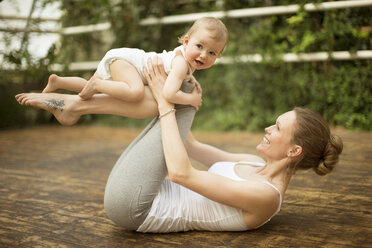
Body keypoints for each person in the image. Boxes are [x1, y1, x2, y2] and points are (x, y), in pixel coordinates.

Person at [15, 58, 343, 232]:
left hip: (136, 208)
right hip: (144, 190)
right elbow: (190, 145)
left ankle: (76, 107)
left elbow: (181, 173)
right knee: (177, 92)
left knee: (175, 94)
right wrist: (180, 98)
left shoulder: (266, 197)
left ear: (293, 151)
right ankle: (75, 108)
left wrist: (170, 100)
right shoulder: (249, 163)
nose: (268, 128)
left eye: (278, 127)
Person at [42, 17, 228, 114]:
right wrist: (192, 100)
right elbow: (169, 93)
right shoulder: (180, 64)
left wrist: (192, 79)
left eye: (212, 53)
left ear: (218, 56)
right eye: (199, 46)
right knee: (135, 92)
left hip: (124, 58)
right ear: (186, 42)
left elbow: (182, 75)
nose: (203, 55)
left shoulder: (184, 60)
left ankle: (57, 81)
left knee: (88, 83)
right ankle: (97, 85)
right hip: (127, 62)